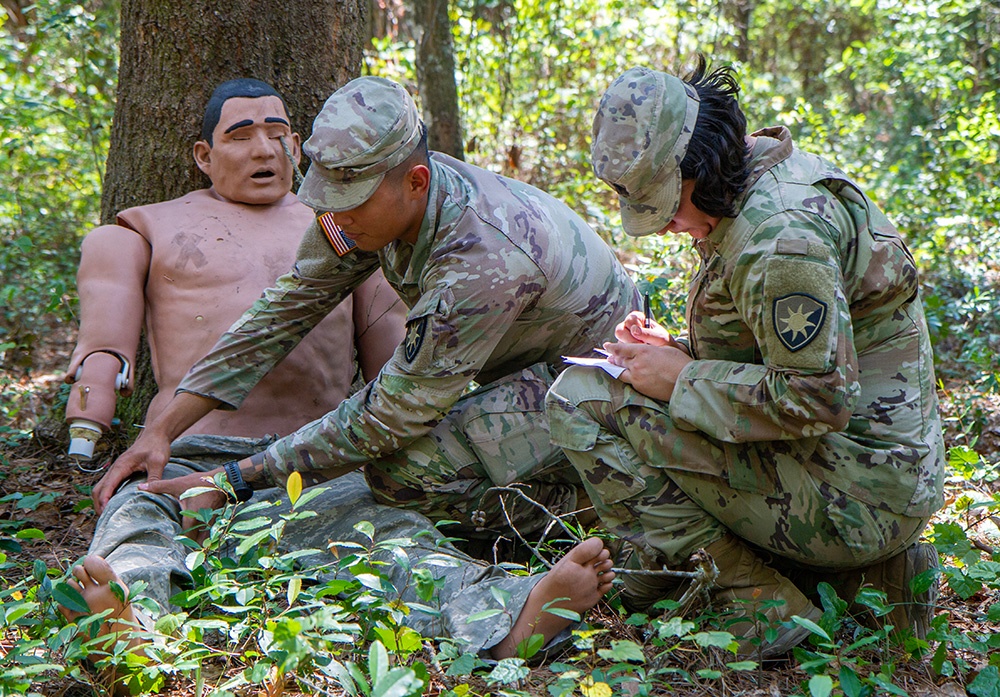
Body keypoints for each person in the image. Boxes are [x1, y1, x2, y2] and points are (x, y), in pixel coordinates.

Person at [59, 79, 617, 666]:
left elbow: (394, 409)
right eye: (325, 194)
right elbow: (284, 311)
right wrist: (162, 431)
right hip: (206, 454)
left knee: (381, 510)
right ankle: (131, 620)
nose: (331, 212)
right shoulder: (355, 211)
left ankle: (508, 610)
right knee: (139, 512)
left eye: (276, 136)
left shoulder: (480, 258)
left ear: (414, 184)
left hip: (582, 396)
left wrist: (233, 483)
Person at [545, 60, 945, 659]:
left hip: (861, 494)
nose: (670, 227)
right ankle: (860, 581)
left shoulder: (778, 236)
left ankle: (751, 602)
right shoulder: (749, 186)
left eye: (669, 206)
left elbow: (819, 396)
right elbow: (771, 351)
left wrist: (682, 380)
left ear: (699, 169)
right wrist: (677, 353)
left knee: (579, 398)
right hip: (866, 475)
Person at [64, 78, 404, 459]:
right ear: (204, 156)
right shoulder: (147, 230)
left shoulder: (348, 226)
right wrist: (92, 397)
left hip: (320, 453)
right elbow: (105, 339)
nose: (263, 151)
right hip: (189, 452)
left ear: (295, 146)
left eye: (276, 136)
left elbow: (393, 351)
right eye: (240, 138)